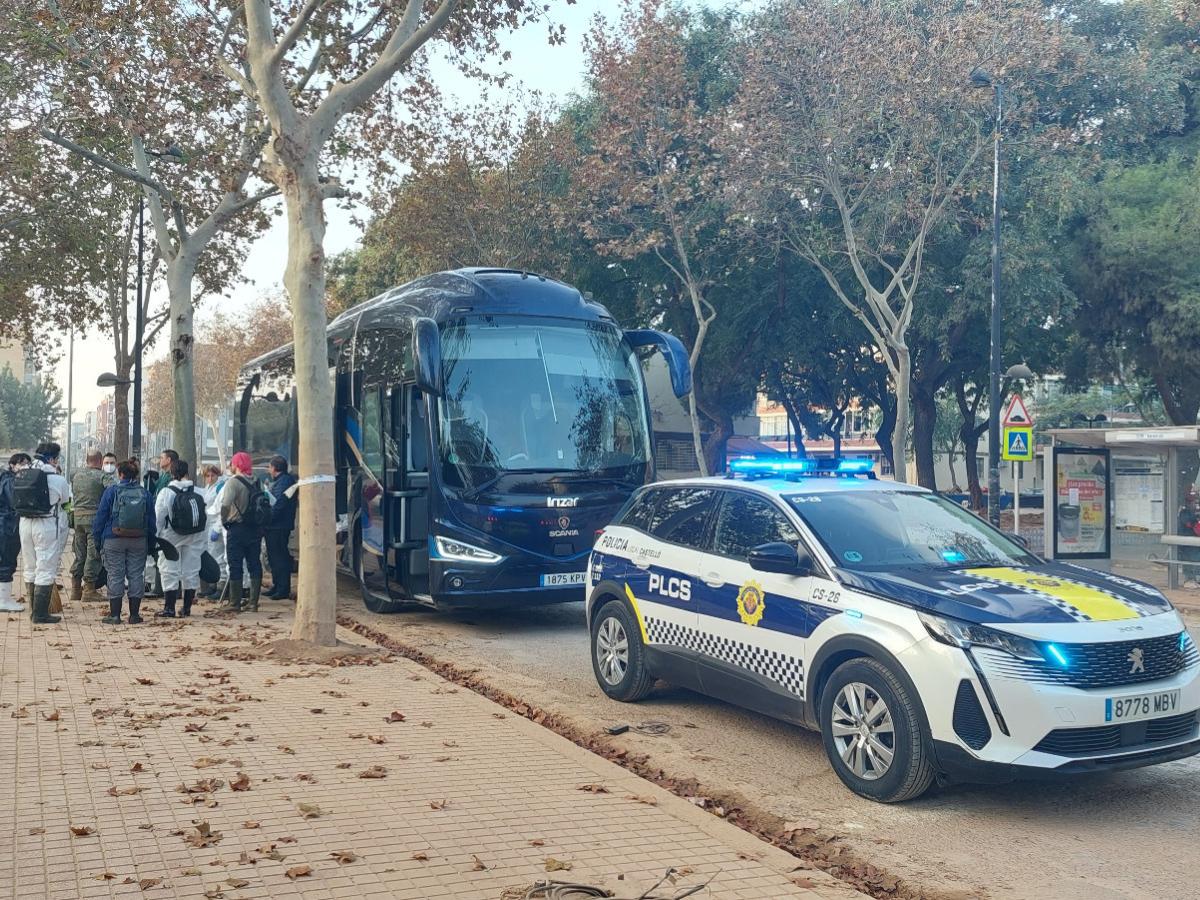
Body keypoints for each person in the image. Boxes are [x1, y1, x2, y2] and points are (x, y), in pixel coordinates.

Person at [93, 459, 156, 624]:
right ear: (135, 475)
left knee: (115, 574)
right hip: (138, 539)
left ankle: (115, 615)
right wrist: (150, 542)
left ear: (120, 474)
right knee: (136, 575)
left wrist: (97, 539)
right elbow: (151, 520)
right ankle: (134, 615)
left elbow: (100, 517)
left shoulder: (111, 491)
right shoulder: (145, 493)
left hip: (113, 539)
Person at [15, 442, 71, 624]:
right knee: (45, 567)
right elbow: (65, 502)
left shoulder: (22, 472)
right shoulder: (58, 479)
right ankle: (40, 614)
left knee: (30, 567)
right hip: (45, 524)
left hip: (24, 522)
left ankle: (33, 610)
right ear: (53, 459)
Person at [154, 458, 206, 617]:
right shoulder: (199, 491)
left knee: (169, 569)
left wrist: (155, 537)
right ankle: (187, 608)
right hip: (194, 535)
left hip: (172, 536)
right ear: (187, 472)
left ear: (171, 473)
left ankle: (169, 608)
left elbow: (159, 517)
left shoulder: (166, 492)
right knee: (191, 570)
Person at [221, 451, 263, 613]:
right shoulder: (257, 481)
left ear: (237, 465)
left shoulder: (234, 483)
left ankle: (235, 602)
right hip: (255, 529)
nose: (231, 466)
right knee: (254, 563)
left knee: (235, 564)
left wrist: (224, 521)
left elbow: (225, 504)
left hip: (237, 528)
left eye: (232, 463)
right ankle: (253, 603)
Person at [69, 449, 108, 603]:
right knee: (93, 554)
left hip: (77, 519)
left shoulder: (76, 476)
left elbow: (71, 497)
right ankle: (89, 589)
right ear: (100, 461)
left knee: (80, 553)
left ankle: (75, 589)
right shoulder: (102, 476)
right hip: (95, 520)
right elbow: (112, 492)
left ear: (87, 461)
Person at [264, 455, 297, 600]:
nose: (268, 470)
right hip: (275, 526)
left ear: (275, 468)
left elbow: (279, 504)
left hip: (278, 526)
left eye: (270, 467)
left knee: (279, 557)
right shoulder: (281, 481)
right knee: (274, 557)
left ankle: (282, 588)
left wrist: (268, 517)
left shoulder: (284, 482)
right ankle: (277, 585)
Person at [0, 454, 29, 613]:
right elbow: (14, 501)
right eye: (22, 464)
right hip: (7, 526)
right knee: (7, 562)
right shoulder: (10, 481)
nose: (25, 467)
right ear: (13, 465)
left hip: (6, 524)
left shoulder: (4, 478)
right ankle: (3, 600)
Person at [199, 464, 227, 599]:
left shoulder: (220, 487)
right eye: (207, 476)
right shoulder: (209, 487)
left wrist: (217, 528)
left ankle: (221, 586)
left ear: (218, 475)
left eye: (213, 475)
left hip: (216, 526)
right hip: (208, 526)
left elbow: (222, 510)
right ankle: (213, 585)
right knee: (212, 555)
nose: (210, 478)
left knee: (218, 556)